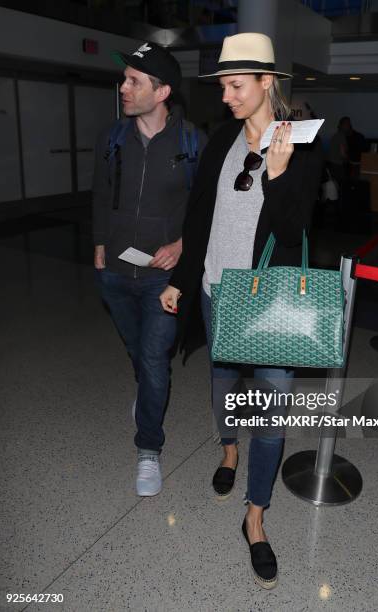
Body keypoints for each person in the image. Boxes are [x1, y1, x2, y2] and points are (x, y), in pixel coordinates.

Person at [160, 32, 323, 588]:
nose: (226, 96)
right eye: (224, 86)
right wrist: (184, 280)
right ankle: (229, 448)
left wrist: (277, 174)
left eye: (235, 85)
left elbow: (296, 229)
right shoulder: (222, 138)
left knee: (272, 411)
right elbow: (198, 217)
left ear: (266, 83)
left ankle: (255, 516)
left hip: (268, 303)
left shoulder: (299, 143)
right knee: (223, 380)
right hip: (213, 289)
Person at [92, 42, 206, 496]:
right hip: (115, 270)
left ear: (162, 92)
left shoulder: (192, 142)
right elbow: (100, 194)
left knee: (155, 359)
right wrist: (99, 244)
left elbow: (205, 209)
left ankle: (148, 450)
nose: (124, 87)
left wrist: (182, 245)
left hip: (163, 278)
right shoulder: (112, 138)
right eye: (125, 79)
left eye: (134, 81)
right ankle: (146, 392)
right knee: (138, 351)